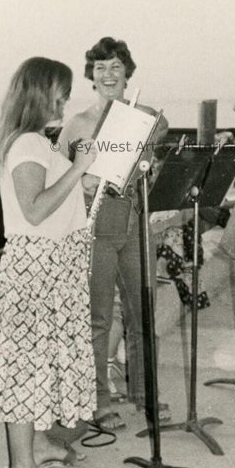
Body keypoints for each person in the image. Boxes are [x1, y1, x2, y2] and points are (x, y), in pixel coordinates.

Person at [0, 57, 97, 468]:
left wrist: (80, 177)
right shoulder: (27, 144)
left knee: (41, 360)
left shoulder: (36, 142)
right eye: (60, 93)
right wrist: (79, 169)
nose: (66, 100)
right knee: (26, 367)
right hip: (35, 270)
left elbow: (57, 198)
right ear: (40, 94)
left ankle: (40, 444)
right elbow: (35, 209)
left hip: (52, 266)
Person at [59, 36, 169, 432]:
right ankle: (97, 401)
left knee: (143, 312)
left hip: (136, 223)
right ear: (92, 75)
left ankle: (145, 393)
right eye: (100, 68)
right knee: (98, 318)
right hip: (98, 227)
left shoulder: (146, 117)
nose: (108, 74)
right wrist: (81, 180)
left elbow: (159, 140)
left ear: (127, 73)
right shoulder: (79, 124)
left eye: (115, 67)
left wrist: (150, 148)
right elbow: (56, 176)